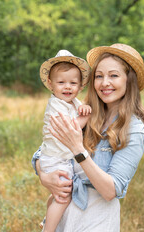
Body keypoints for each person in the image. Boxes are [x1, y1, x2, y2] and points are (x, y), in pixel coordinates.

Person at [32, 43, 144, 232]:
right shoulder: (85, 113)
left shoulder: (132, 129)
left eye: (113, 75)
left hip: (95, 219)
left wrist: (78, 149)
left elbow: (110, 190)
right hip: (63, 215)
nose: (105, 83)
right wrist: (44, 176)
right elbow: (43, 151)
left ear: (128, 81)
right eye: (99, 76)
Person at [38, 49, 92, 232]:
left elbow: (79, 108)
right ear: (51, 85)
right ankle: (49, 229)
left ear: (80, 86)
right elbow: (70, 128)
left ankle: (48, 219)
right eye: (61, 83)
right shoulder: (55, 104)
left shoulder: (73, 102)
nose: (67, 87)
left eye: (73, 83)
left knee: (58, 194)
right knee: (64, 196)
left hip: (60, 157)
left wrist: (83, 108)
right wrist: (87, 117)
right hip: (54, 158)